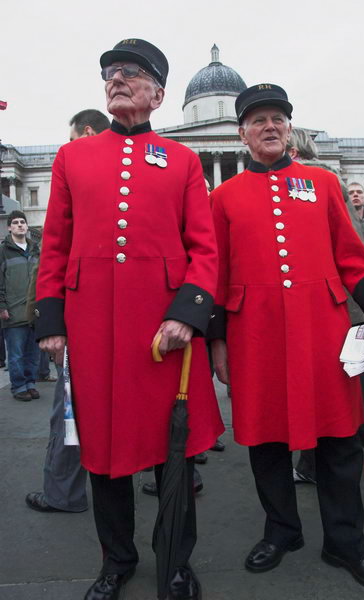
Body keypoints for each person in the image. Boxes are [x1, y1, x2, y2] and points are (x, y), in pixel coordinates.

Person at [35, 38, 223, 600]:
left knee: (174, 458)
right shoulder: (72, 157)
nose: (117, 79)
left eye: (132, 73)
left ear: (159, 94)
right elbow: (55, 245)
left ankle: (177, 563)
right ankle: (116, 562)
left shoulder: (186, 160)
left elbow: (204, 248)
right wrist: (50, 319)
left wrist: (188, 315)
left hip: (164, 333)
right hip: (92, 330)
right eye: (111, 72)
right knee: (104, 456)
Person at [209, 83, 364, 594]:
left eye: (278, 119)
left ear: (289, 129)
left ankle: (345, 542)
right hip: (256, 336)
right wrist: (218, 342)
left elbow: (352, 256)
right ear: (242, 133)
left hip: (324, 332)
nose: (270, 126)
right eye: (258, 120)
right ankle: (282, 530)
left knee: (340, 440)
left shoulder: (322, 183)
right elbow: (216, 273)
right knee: (266, 441)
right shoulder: (222, 197)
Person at [287, 128, 364, 485]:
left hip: (341, 308)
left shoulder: (322, 183)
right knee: (321, 391)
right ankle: (310, 465)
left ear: (293, 150)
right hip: (326, 307)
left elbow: (358, 245)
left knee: (355, 397)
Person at [25, 109, 110, 514]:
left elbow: (56, 254)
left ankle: (63, 492)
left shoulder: (78, 174)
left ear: (87, 133)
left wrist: (53, 323)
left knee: (69, 408)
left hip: (85, 316)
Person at [0, 211, 40, 401]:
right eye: (15, 223)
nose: (19, 225)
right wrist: (2, 306)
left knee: (33, 353)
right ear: (9, 227)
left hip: (34, 311)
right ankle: (18, 387)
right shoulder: (3, 251)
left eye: (22, 222)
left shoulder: (35, 249)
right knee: (15, 354)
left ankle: (30, 383)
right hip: (13, 312)